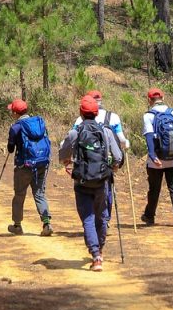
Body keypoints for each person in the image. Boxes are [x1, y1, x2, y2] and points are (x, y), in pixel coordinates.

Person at [59, 95, 122, 270]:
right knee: (101, 216)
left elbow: (62, 155)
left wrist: (67, 160)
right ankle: (99, 249)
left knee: (88, 217)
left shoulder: (75, 133)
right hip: (102, 181)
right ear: (96, 113)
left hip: (82, 182)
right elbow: (118, 157)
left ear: (81, 112)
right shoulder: (106, 132)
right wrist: (114, 167)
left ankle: (95, 256)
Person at [6, 98, 53, 236]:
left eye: (12, 111)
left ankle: (17, 225)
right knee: (39, 194)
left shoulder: (16, 127)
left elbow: (10, 149)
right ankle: (47, 223)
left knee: (19, 194)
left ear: (16, 113)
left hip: (24, 165)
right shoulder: (39, 122)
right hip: (41, 163)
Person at [141, 88, 173, 227]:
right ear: (163, 97)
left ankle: (149, 216)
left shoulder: (148, 116)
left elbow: (149, 137)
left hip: (156, 160)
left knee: (154, 188)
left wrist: (152, 156)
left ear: (149, 100)